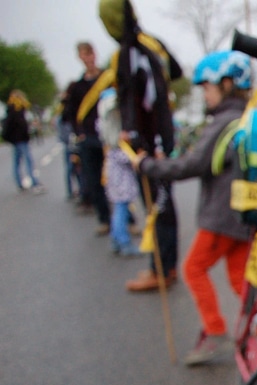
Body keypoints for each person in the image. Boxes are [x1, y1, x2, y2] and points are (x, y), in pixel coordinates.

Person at [129, 51, 254, 365]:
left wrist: (146, 166)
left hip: (221, 217)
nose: (204, 94)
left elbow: (192, 164)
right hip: (243, 215)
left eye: (207, 87)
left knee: (192, 269)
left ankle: (215, 332)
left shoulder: (224, 121)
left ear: (227, 84)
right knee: (240, 278)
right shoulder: (247, 118)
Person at [96, 0, 184, 292]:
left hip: (149, 145)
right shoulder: (151, 43)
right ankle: (164, 265)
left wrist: (135, 135)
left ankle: (162, 269)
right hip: (160, 138)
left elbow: (143, 98)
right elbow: (176, 72)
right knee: (161, 207)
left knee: (158, 208)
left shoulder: (130, 51)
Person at [64, 41, 111, 233]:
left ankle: (128, 219)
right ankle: (104, 219)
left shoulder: (107, 79)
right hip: (88, 138)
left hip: (108, 137)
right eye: (84, 55)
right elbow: (70, 113)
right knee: (94, 180)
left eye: (90, 54)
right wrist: (79, 133)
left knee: (116, 179)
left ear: (95, 54)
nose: (88, 58)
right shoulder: (77, 86)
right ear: (80, 58)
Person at [97, 88, 142, 256]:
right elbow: (125, 156)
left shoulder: (103, 122)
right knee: (121, 208)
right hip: (119, 176)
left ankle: (116, 240)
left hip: (113, 172)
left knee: (118, 208)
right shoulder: (113, 125)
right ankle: (123, 241)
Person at [2, 90, 44, 193]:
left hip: (16, 140)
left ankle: (19, 183)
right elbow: (20, 126)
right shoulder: (18, 109)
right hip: (21, 139)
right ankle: (35, 183)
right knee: (28, 161)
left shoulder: (11, 109)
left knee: (17, 162)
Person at [56, 90, 82, 200]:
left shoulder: (61, 112)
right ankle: (79, 191)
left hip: (68, 143)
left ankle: (72, 191)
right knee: (75, 167)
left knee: (71, 168)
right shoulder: (68, 112)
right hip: (72, 143)